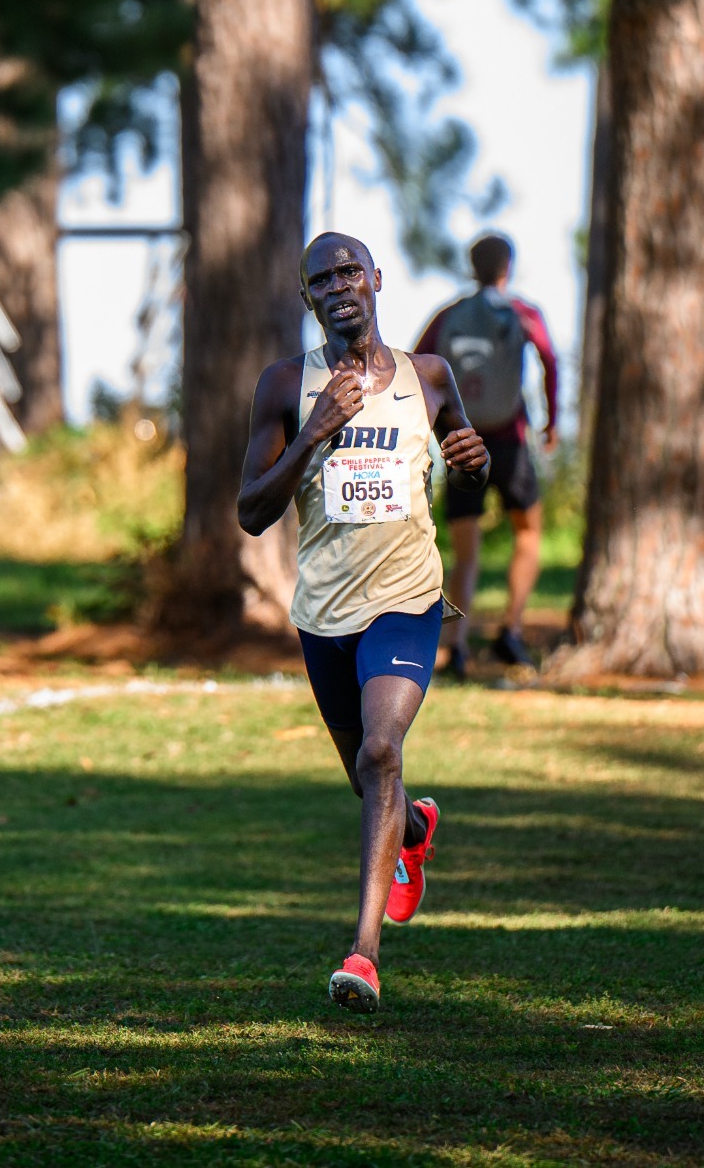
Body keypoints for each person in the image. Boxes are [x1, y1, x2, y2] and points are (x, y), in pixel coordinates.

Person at [237, 231, 489, 1015]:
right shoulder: (285, 384)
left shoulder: (430, 376)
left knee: (383, 749)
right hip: (324, 613)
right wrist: (313, 431)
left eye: (352, 269)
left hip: (408, 599)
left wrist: (475, 465)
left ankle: (364, 953)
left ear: (377, 279)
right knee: (367, 777)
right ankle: (414, 825)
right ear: (309, 298)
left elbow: (469, 479)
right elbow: (251, 512)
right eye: (323, 278)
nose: (341, 284)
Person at [414, 233, 559, 673]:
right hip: (511, 439)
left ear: (471, 267)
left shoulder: (449, 315)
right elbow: (550, 360)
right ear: (507, 267)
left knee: (465, 551)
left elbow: (416, 363)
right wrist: (551, 421)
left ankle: (455, 646)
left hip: (462, 441)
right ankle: (509, 632)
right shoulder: (523, 313)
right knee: (529, 533)